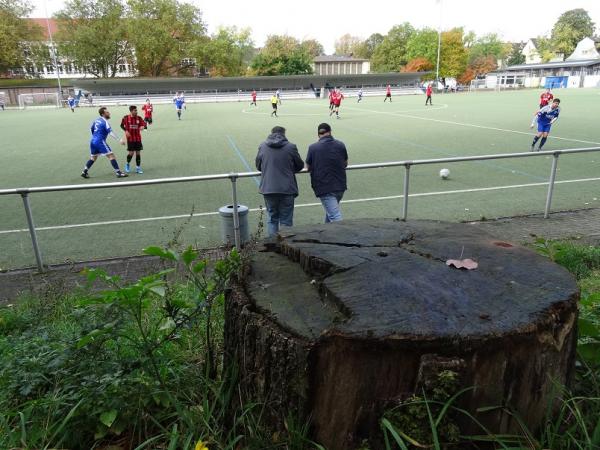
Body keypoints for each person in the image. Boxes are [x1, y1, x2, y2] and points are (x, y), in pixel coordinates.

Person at [255, 126, 304, 237]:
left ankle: (273, 246)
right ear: (284, 134)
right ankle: (286, 246)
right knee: (286, 220)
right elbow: (300, 165)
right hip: (287, 189)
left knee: (272, 219)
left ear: (271, 133)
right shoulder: (291, 147)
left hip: (268, 189)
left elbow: (258, 166)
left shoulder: (263, 146)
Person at [305, 123, 348, 223]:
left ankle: (342, 237)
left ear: (318, 134)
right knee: (331, 213)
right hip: (340, 185)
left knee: (335, 216)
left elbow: (308, 167)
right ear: (330, 132)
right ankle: (326, 235)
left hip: (324, 186)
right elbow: (345, 163)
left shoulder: (313, 147)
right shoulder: (340, 144)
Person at [81, 107, 128, 178]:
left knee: (93, 158)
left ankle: (84, 172)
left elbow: (91, 129)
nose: (109, 113)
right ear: (103, 114)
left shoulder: (96, 120)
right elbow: (111, 132)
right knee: (111, 156)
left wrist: (94, 136)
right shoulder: (105, 122)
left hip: (93, 141)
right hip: (100, 141)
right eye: (107, 112)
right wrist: (119, 140)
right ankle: (118, 172)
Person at [120, 105, 147, 174]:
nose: (136, 112)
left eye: (136, 110)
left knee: (138, 153)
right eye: (135, 110)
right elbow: (121, 125)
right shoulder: (125, 118)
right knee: (131, 153)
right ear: (131, 111)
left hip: (138, 138)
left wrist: (142, 126)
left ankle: (138, 168)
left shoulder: (139, 118)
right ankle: (127, 164)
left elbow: (144, 124)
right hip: (130, 139)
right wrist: (126, 131)